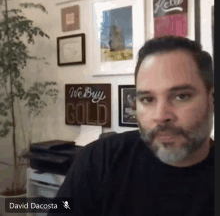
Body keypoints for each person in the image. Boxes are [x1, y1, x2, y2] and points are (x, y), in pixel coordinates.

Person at [47, 35, 214, 216]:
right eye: (147, 99)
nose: (161, 116)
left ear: (212, 99)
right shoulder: (100, 160)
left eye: (181, 96)